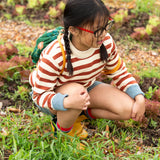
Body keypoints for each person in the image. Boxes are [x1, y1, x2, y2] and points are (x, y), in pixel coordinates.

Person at [29, 0, 145, 139]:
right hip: (53, 96)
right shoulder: (55, 55)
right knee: (77, 93)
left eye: (105, 25)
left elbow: (119, 72)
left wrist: (139, 97)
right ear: (73, 30)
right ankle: (63, 132)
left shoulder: (105, 42)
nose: (103, 34)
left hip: (83, 89)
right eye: (96, 30)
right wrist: (66, 103)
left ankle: (76, 114)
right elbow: (39, 95)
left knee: (127, 109)